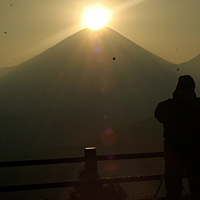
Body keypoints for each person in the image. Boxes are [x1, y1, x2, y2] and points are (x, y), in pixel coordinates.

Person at [154, 75, 200, 200]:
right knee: (197, 188)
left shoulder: (169, 107)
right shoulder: (196, 106)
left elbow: (158, 112)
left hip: (174, 154)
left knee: (173, 191)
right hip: (194, 154)